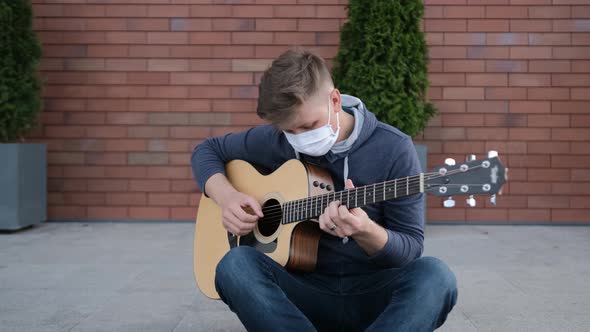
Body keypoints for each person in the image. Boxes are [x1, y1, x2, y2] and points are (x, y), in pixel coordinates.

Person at [191, 48, 457, 332]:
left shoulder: (393, 148)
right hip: (301, 297)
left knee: (436, 276)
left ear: (335, 100)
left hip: (373, 296)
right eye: (289, 131)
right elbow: (206, 151)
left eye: (309, 126)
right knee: (234, 265)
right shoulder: (278, 140)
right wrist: (227, 196)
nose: (300, 138)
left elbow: (409, 251)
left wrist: (365, 230)